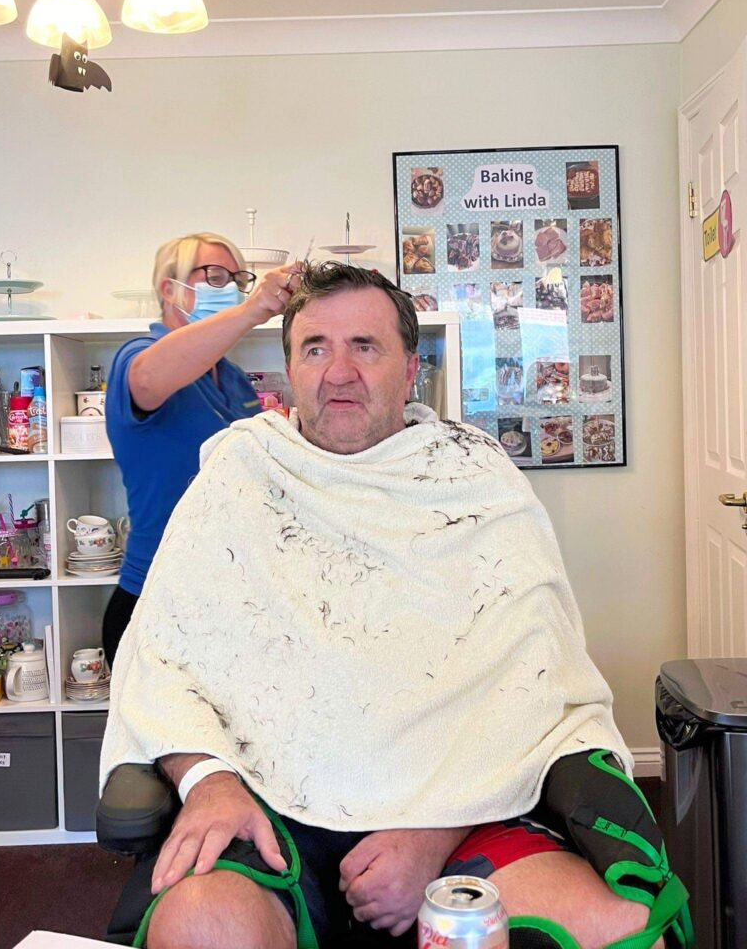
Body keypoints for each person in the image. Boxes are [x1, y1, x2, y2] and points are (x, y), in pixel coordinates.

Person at [100, 264, 687, 949]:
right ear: (289, 370)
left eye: (365, 346)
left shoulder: (474, 476)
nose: (339, 372)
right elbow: (163, 658)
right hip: (268, 794)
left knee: (615, 926)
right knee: (202, 924)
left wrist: (433, 834)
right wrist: (208, 781)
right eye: (315, 348)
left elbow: (536, 681)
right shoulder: (239, 472)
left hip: (465, 797)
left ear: (410, 370)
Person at [102, 231, 301, 664]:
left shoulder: (232, 379)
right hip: (155, 598)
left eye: (236, 279)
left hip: (231, 594)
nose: (227, 288)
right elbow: (148, 380)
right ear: (169, 289)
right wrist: (252, 309)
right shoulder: (138, 357)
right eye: (212, 276)